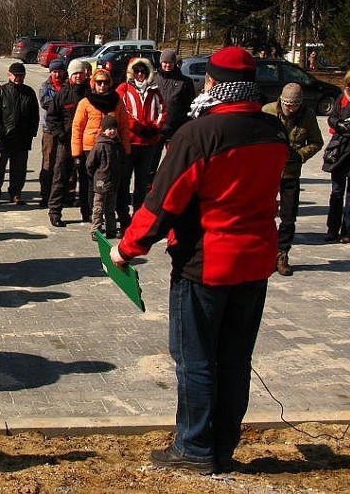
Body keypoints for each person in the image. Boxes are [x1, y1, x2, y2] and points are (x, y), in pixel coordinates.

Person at [111, 46, 288, 474]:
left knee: (195, 359)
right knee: (234, 357)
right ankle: (222, 444)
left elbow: (161, 203)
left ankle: (193, 448)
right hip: (255, 260)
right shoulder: (274, 130)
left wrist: (127, 248)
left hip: (206, 261)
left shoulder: (200, 133)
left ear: (213, 83)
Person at [261, 83, 323, 275]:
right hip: (268, 172)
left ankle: (282, 254)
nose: (290, 108)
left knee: (288, 217)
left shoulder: (308, 116)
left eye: (294, 105)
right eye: (287, 104)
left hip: (291, 172)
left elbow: (316, 142)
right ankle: (262, 253)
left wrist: (300, 154)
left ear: (300, 103)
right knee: (262, 215)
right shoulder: (268, 111)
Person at [71, 68, 131, 222]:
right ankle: (90, 213)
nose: (102, 85)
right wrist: (76, 154)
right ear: (93, 84)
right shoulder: (85, 102)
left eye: (105, 82)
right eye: (99, 82)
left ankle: (108, 214)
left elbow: (124, 126)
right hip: (89, 148)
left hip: (111, 148)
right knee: (89, 183)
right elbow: (77, 128)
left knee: (109, 183)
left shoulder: (117, 101)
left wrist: (126, 149)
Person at [115, 57, 166, 230]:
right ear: (131, 72)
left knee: (143, 182)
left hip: (148, 144)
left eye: (143, 71)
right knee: (123, 180)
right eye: (137, 71)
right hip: (129, 142)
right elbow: (122, 112)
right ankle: (123, 216)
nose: (140, 74)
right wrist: (138, 127)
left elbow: (162, 111)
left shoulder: (154, 90)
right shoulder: (124, 88)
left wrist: (155, 128)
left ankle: (139, 216)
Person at [0, 62, 39, 206]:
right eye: (16, 75)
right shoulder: (1, 91)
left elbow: (35, 115)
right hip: (3, 138)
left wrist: (31, 133)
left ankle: (15, 193)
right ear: (9, 75)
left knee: (19, 170)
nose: (19, 78)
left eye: (21, 76)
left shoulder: (29, 92)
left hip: (22, 139)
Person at [45, 59, 89, 227]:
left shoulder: (89, 92)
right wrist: (61, 134)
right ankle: (55, 211)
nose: (78, 76)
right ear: (70, 75)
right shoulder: (63, 93)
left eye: (81, 73)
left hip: (86, 142)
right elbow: (51, 117)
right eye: (75, 73)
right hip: (66, 141)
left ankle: (87, 211)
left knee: (86, 178)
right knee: (60, 176)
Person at [323, 68, 350, 243]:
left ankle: (348, 230)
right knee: (336, 192)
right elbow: (332, 117)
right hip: (340, 150)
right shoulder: (342, 98)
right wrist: (340, 125)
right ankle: (332, 229)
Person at [86, 115, 123, 239]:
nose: (112, 131)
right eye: (109, 129)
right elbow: (90, 164)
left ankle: (111, 229)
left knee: (111, 208)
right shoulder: (100, 145)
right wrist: (96, 176)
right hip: (101, 181)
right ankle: (96, 231)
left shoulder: (118, 145)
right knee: (98, 208)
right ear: (103, 130)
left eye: (114, 128)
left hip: (113, 182)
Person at [38, 59, 67, 207]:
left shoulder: (68, 85)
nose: (56, 74)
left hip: (65, 129)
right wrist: (63, 104)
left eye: (59, 71)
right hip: (49, 129)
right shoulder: (46, 86)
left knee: (63, 164)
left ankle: (64, 194)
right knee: (48, 162)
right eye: (54, 71)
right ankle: (45, 194)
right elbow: (46, 103)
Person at [156, 49, 195, 144]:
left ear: (174, 63)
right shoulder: (154, 79)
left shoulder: (185, 82)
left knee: (173, 157)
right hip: (156, 127)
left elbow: (189, 106)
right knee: (153, 158)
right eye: (165, 62)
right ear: (161, 62)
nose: (168, 65)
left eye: (170, 62)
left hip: (175, 127)